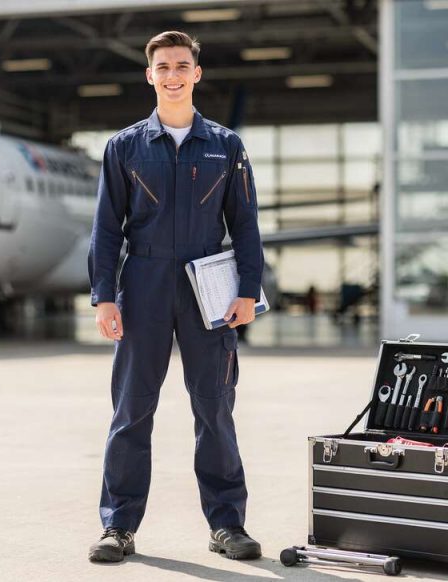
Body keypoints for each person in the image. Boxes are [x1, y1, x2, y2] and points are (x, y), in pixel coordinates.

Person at [87, 31, 265, 563]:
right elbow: (105, 228)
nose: (172, 75)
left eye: (181, 65)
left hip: (207, 284)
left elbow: (246, 225)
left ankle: (227, 524)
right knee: (131, 410)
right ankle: (118, 526)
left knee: (215, 407)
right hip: (142, 283)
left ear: (196, 73)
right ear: (149, 75)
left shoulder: (226, 146)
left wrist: (248, 291)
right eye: (162, 66)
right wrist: (104, 296)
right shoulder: (124, 147)